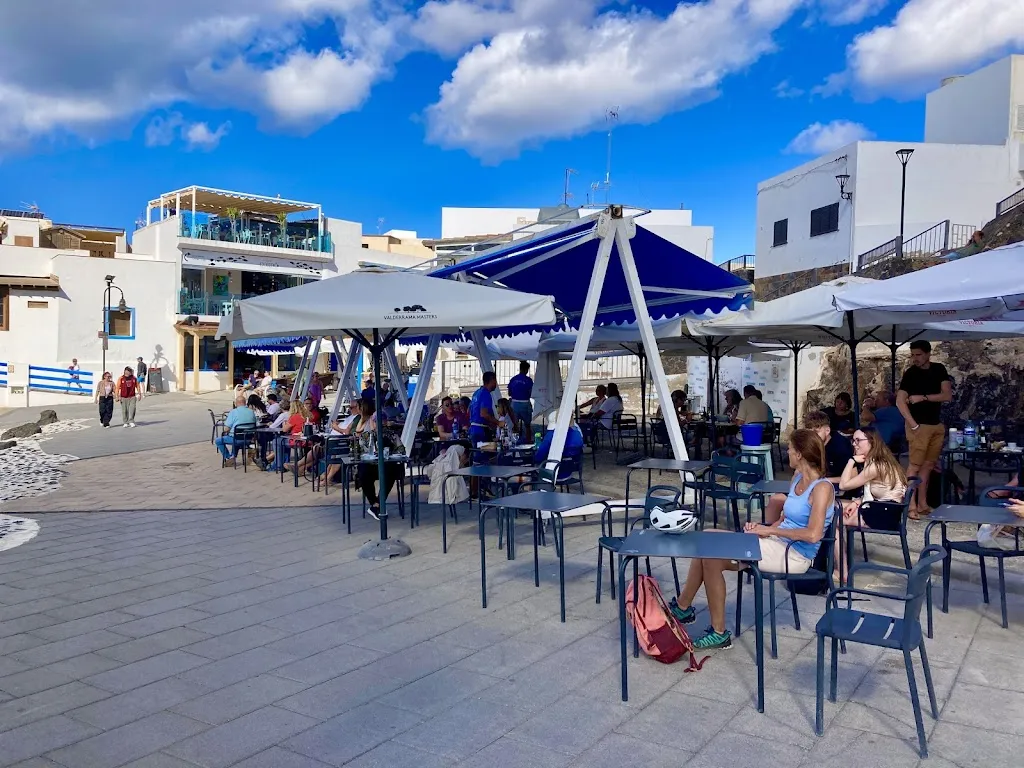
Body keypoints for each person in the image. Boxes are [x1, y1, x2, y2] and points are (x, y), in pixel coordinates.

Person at [669, 429, 834, 650]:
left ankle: (709, 626)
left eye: (791, 449)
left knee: (710, 552)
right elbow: (787, 522)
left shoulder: (822, 488)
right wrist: (762, 528)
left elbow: (813, 534)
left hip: (795, 555)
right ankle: (685, 609)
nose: (788, 453)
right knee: (707, 538)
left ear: (801, 454)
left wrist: (770, 532)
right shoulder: (796, 479)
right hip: (776, 543)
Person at [836, 426, 908, 579]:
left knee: (833, 519)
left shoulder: (875, 465)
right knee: (836, 507)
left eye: (858, 440)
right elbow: (877, 492)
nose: (854, 444)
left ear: (872, 442)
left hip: (883, 514)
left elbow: (843, 485)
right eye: (853, 440)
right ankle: (838, 566)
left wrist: (851, 461)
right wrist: (857, 502)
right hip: (887, 510)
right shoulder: (883, 461)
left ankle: (841, 571)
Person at [897, 340, 952, 519]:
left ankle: (923, 504)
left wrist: (924, 397)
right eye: (912, 355)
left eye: (918, 355)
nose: (915, 358)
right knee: (914, 466)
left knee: (928, 466)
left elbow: (947, 395)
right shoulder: (910, 374)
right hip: (918, 425)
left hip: (935, 424)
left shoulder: (939, 369)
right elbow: (900, 401)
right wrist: (913, 424)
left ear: (928, 354)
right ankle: (910, 505)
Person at [354, 398, 404, 520]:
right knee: (363, 472)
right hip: (371, 467)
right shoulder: (366, 436)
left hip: (386, 467)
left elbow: (401, 450)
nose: (379, 424)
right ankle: (375, 503)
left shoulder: (392, 435)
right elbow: (359, 452)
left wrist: (392, 453)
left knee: (392, 470)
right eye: (376, 421)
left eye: (382, 421)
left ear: (386, 422)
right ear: (372, 422)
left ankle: (378, 504)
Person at [534, 412, 585, 482]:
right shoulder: (577, 433)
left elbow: (539, 455)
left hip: (552, 474)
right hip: (569, 472)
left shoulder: (551, 435)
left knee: (533, 469)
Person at [216, 394, 258, 463]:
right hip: (249, 439)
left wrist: (227, 431)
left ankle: (229, 457)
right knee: (237, 435)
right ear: (245, 402)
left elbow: (226, 429)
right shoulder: (251, 412)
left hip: (237, 439)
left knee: (218, 440)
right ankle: (233, 456)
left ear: (237, 403)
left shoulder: (233, 412)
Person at [469, 372, 500, 445]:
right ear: (492, 380)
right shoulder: (485, 394)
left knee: (477, 452)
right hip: (481, 430)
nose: (496, 384)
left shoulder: (476, 393)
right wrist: (498, 422)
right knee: (484, 453)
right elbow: (484, 414)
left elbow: (469, 410)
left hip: (473, 428)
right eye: (495, 381)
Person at [508, 361, 534, 436]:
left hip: (514, 404)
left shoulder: (513, 379)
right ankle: (528, 440)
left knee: (515, 425)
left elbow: (509, 393)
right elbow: (531, 393)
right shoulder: (529, 380)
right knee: (527, 425)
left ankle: (515, 440)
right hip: (525, 403)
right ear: (527, 370)